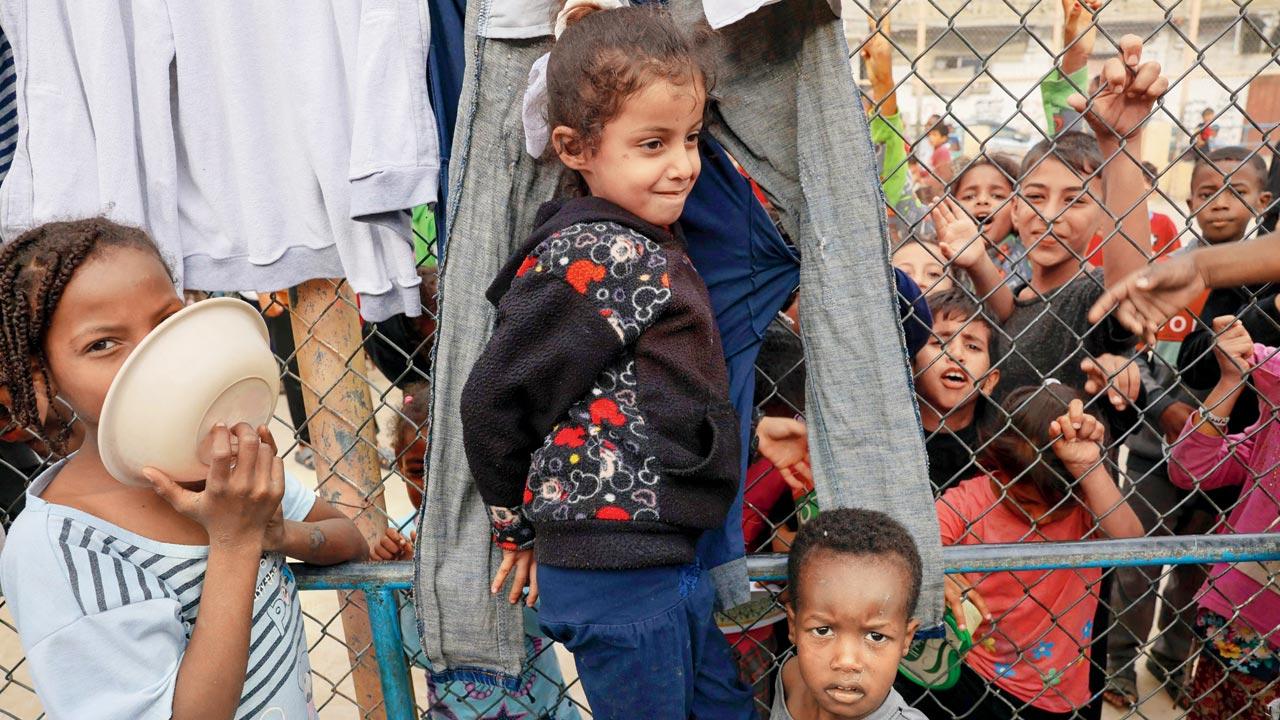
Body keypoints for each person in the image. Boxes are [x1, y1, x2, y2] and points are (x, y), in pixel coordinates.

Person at [457, 4, 756, 718]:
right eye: (652, 144)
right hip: (617, 572)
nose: (684, 165)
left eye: (690, 138)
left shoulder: (640, 245)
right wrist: (515, 524)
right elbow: (493, 399)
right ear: (574, 146)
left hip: (660, 558)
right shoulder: (599, 254)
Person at [0, 218, 369, 718]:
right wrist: (235, 541)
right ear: (40, 376)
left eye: (165, 321)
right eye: (103, 344)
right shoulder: (62, 547)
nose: (152, 356)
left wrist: (276, 534)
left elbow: (347, 536)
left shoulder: (218, 462)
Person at [898, 383, 1143, 719]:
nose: (1036, 517)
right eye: (1024, 500)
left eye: (1052, 508)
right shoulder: (973, 501)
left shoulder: (1087, 508)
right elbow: (908, 549)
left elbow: (1132, 542)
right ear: (1001, 469)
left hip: (1057, 691)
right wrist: (941, 574)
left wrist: (1089, 469)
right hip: (975, 671)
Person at [369, 386, 582, 720]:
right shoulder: (404, 539)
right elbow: (414, 650)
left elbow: (548, 623)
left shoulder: (515, 529)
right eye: (418, 471)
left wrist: (500, 569)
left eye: (450, 472)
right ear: (398, 469)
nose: (434, 487)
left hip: (543, 712)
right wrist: (411, 582)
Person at [1168, 318, 1280, 719]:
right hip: (1248, 621)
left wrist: (1259, 360)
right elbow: (1190, 468)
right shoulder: (1272, 426)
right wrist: (1232, 378)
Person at [774, 508, 928, 720]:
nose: (847, 661)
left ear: (906, 639)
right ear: (793, 626)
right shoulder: (790, 679)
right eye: (822, 630)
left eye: (876, 636)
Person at [913, 288, 1001, 494]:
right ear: (912, 363)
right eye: (940, 342)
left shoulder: (1000, 454)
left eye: (972, 347)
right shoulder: (889, 441)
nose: (956, 355)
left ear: (990, 381)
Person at [948, 153, 1030, 288]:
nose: (982, 201)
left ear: (1016, 207)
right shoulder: (941, 255)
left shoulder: (1030, 254)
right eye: (969, 197)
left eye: (997, 196)